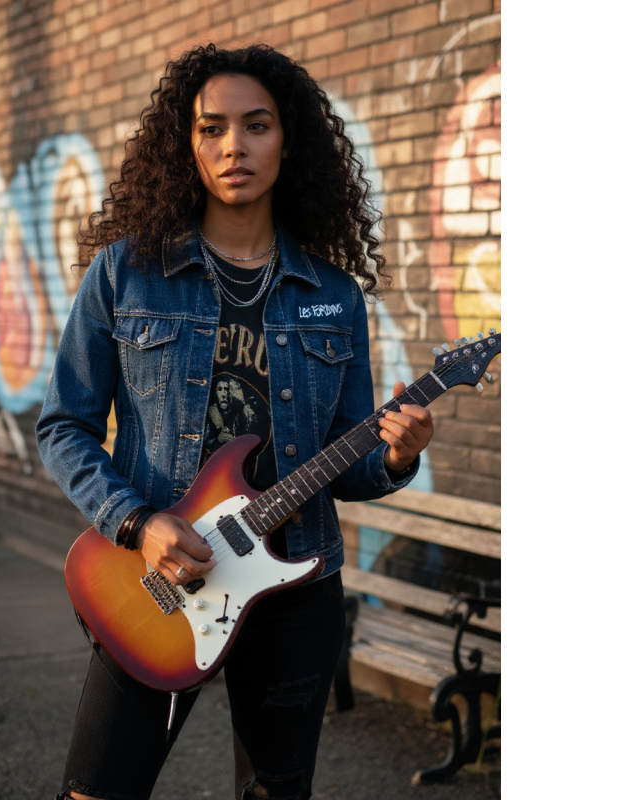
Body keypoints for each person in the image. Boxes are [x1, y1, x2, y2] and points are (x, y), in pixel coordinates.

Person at [36, 43, 434, 800]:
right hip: (158, 577)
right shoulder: (126, 272)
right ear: (185, 143)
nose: (233, 147)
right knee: (96, 790)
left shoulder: (333, 295)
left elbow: (346, 463)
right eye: (211, 127)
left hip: (293, 589)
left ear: (290, 140)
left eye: (256, 126)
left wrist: (393, 457)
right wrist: (137, 522)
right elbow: (64, 425)